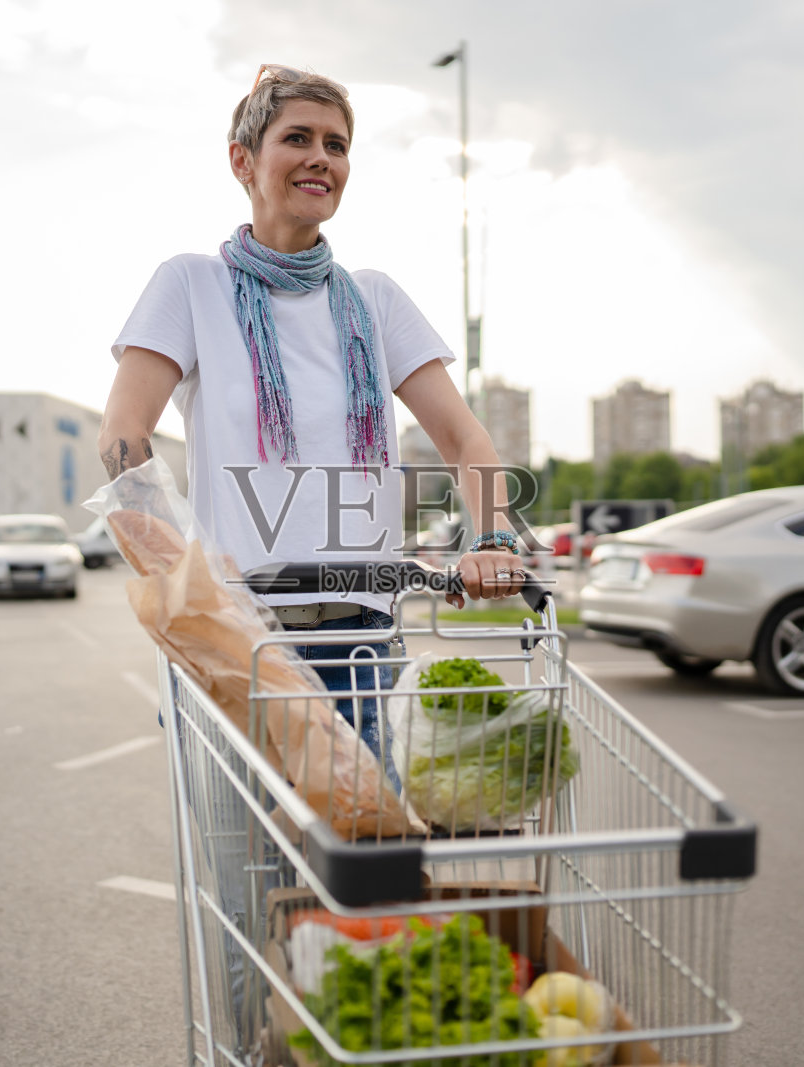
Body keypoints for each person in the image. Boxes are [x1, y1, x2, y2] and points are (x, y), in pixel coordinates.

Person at [98, 65, 527, 1053]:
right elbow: (125, 441)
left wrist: (491, 538)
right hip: (242, 653)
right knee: (253, 894)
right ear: (244, 161)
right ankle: (259, 1050)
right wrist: (178, 585)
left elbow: (468, 443)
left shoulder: (374, 300)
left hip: (363, 644)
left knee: (362, 887)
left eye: (336, 145)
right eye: (298, 139)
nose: (320, 160)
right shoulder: (189, 285)